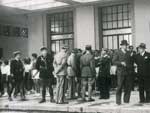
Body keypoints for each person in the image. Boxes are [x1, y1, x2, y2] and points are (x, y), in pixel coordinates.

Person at [112, 40, 134, 105]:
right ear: (121, 46)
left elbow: (131, 61)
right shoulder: (117, 52)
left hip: (128, 72)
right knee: (119, 86)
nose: (125, 46)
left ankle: (126, 100)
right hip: (120, 72)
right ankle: (118, 101)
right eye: (124, 45)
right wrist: (120, 63)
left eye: (126, 45)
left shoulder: (129, 52)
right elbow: (113, 61)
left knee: (128, 87)